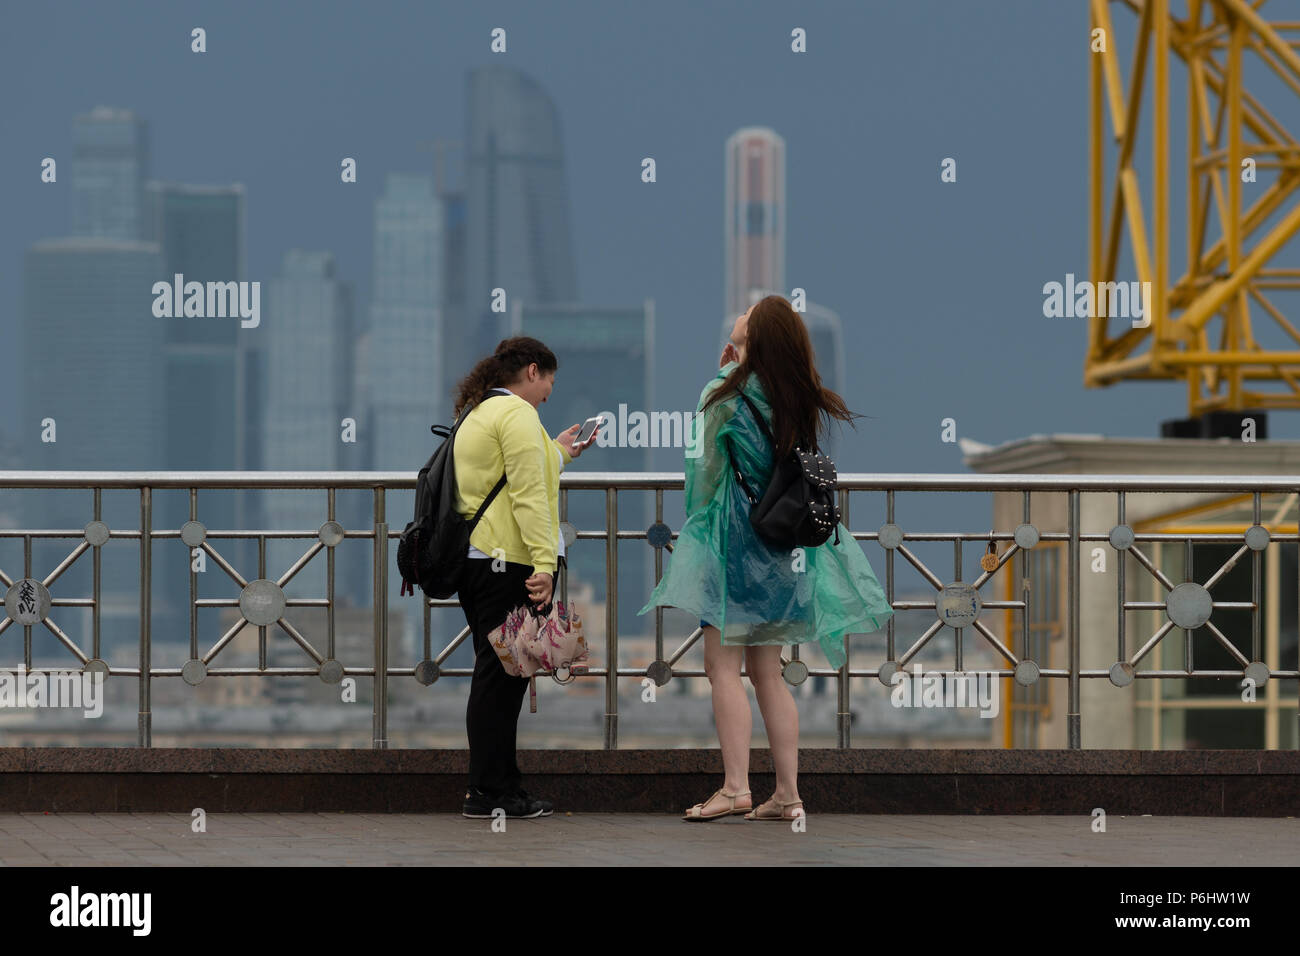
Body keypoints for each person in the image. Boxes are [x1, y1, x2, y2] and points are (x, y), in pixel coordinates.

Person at [638, 295, 893, 821]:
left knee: (720, 667)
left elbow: (702, 479)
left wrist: (719, 384)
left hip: (734, 551)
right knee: (769, 674)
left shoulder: (723, 395)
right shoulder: (797, 395)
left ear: (752, 341)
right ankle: (787, 794)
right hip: (784, 554)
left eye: (747, 319)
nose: (741, 314)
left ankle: (734, 787)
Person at [452, 336, 594, 819]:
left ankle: (497, 787)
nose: (551, 390)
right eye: (550, 378)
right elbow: (530, 496)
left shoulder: (482, 411)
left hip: (479, 561)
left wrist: (558, 451)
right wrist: (544, 565)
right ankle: (489, 792)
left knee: (499, 676)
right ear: (532, 371)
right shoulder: (516, 415)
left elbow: (518, 473)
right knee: (500, 680)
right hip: (506, 562)